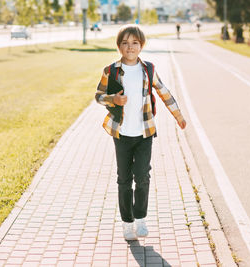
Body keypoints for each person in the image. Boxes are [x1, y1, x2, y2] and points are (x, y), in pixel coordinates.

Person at [95, 24, 186, 241]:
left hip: (145, 134)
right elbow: (98, 95)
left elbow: (165, 93)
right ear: (119, 46)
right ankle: (127, 224)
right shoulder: (112, 70)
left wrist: (178, 116)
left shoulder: (149, 69)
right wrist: (113, 99)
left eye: (134, 42)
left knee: (142, 177)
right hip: (122, 135)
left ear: (141, 45)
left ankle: (140, 219)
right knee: (124, 179)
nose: (130, 47)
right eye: (125, 43)